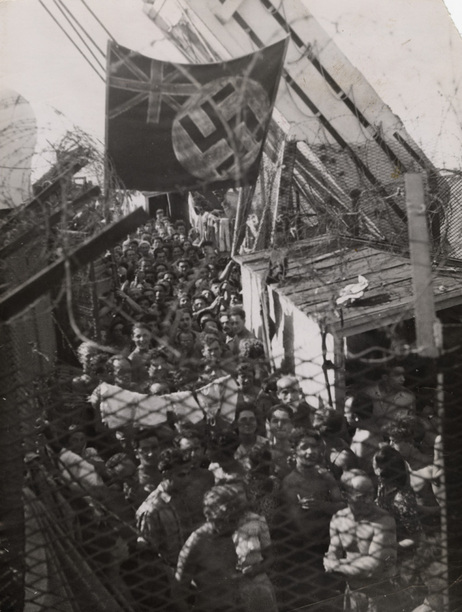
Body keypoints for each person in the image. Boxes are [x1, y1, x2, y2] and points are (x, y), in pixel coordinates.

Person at [324, 471, 398, 611]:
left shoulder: (384, 520)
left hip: (379, 594)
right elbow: (332, 553)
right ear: (345, 496)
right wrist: (335, 562)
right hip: (352, 592)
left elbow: (373, 569)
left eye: (371, 494)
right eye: (362, 496)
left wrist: (336, 565)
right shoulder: (339, 519)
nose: (369, 500)